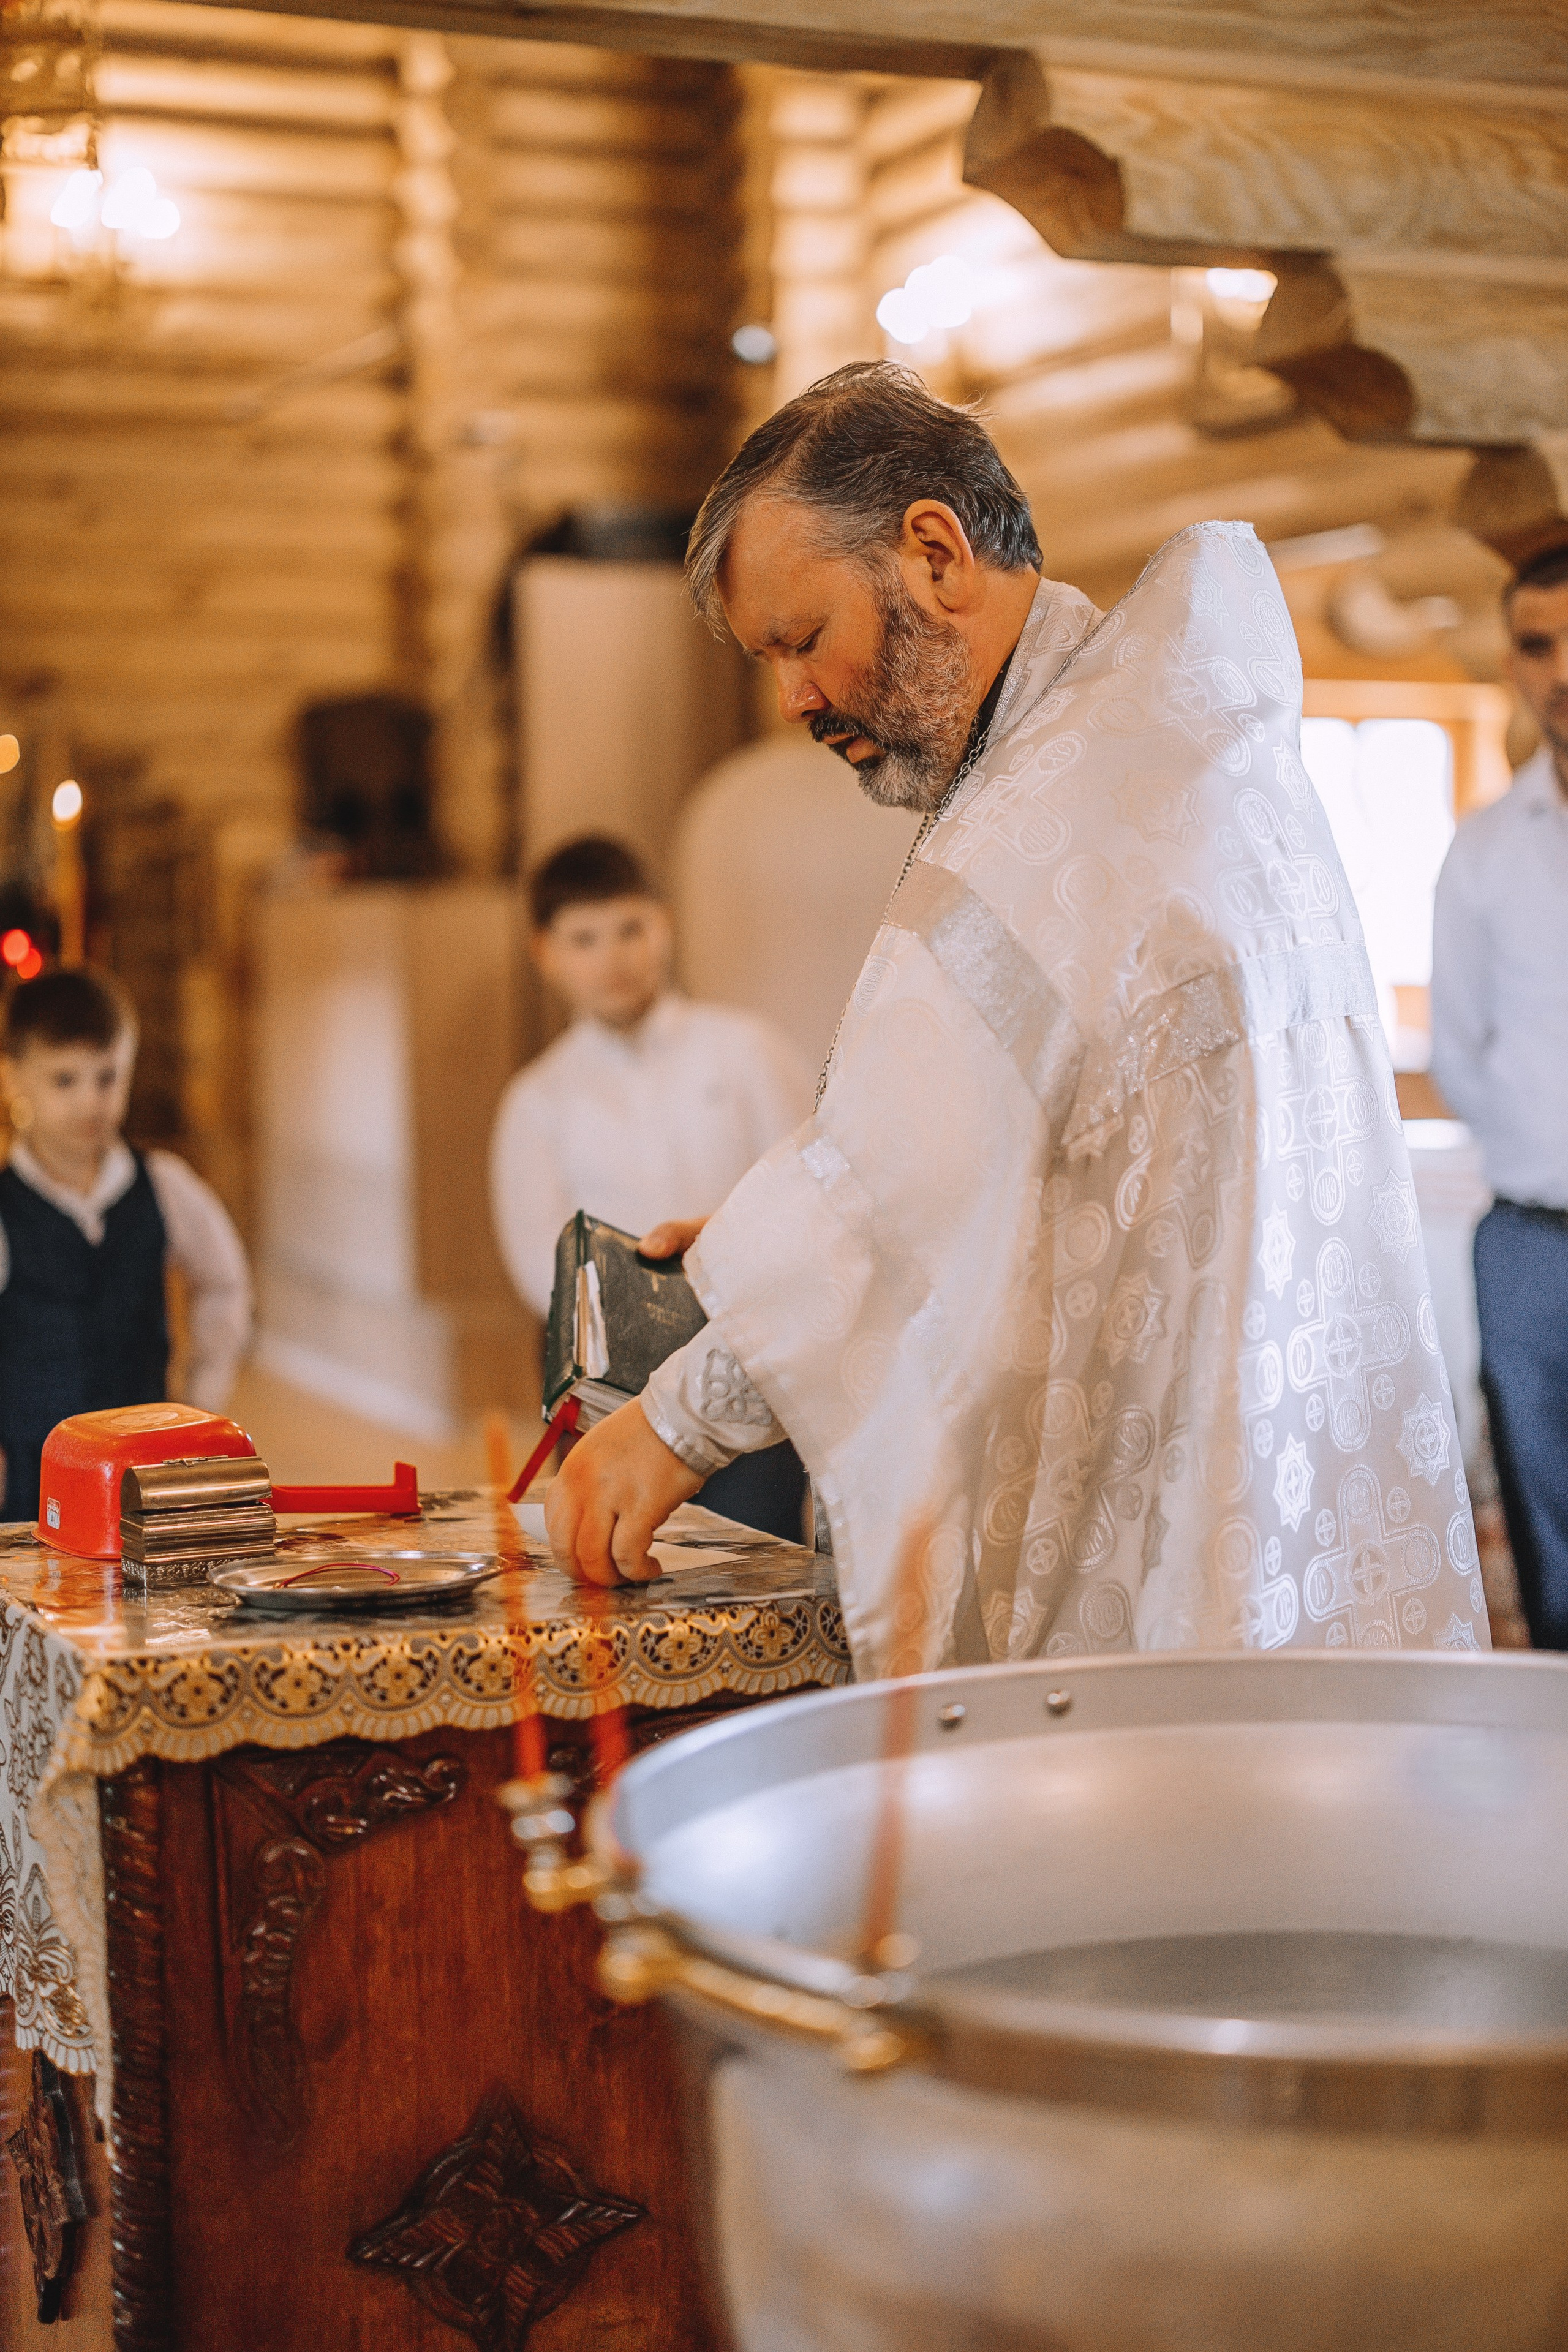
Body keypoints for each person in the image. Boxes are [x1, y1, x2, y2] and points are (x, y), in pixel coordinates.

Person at [543, 362, 1487, 1675]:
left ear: (932, 552)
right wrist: (782, 1246)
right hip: (1280, 1497)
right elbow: (1044, 1162)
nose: (793, 702)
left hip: (1157, 1533)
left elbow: (911, 1180)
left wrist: (678, 1419)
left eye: (801, 638)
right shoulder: (1168, 749)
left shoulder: (1067, 814)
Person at [490, 832, 813, 1539]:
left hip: (747, 1376)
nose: (612, 957)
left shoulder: (746, 1050)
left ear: (664, 924)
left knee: (757, 1570)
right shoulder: (537, 1099)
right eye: (584, 938)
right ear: (544, 951)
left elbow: (807, 1200)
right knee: (621, 1575)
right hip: (612, 1401)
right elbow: (537, 1268)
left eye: (630, 929)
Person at [1431, 543, 1568, 1649]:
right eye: (1539, 643)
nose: (1563, 667)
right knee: (1549, 1530)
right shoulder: (1481, 856)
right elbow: (1461, 1050)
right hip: (1532, 1241)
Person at [0, 966, 252, 1524]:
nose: (91, 1101)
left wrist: (200, 1399)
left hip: (146, 1485)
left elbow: (224, 1280)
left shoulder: (162, 1184)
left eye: (107, 1077)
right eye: (65, 1080)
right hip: (33, 1494)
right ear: (14, 1078)